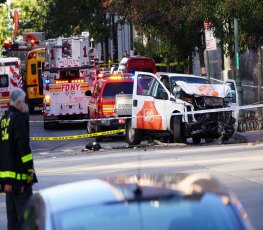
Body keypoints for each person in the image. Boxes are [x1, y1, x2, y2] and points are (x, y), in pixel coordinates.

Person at [0, 88, 37, 230]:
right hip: (21, 178)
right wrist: (30, 170)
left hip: (7, 180)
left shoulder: (4, 120)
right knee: (27, 217)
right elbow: (23, 148)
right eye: (25, 101)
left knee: (13, 219)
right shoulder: (19, 118)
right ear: (20, 102)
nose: (26, 104)